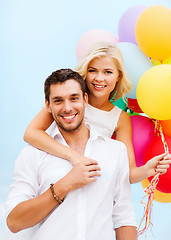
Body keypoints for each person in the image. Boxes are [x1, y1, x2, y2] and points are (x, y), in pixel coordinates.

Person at [5, 69, 137, 240]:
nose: (67, 108)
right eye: (58, 101)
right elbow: (14, 222)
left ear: (85, 100)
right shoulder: (32, 155)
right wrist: (65, 184)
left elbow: (124, 218)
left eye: (74, 98)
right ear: (48, 105)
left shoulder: (115, 151)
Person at [23, 41, 171, 184]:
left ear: (118, 76)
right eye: (92, 70)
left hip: (82, 187)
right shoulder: (70, 95)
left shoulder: (120, 118)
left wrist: (147, 169)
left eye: (108, 72)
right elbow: (31, 133)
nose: (99, 78)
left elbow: (129, 174)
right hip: (47, 176)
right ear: (85, 71)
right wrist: (74, 157)